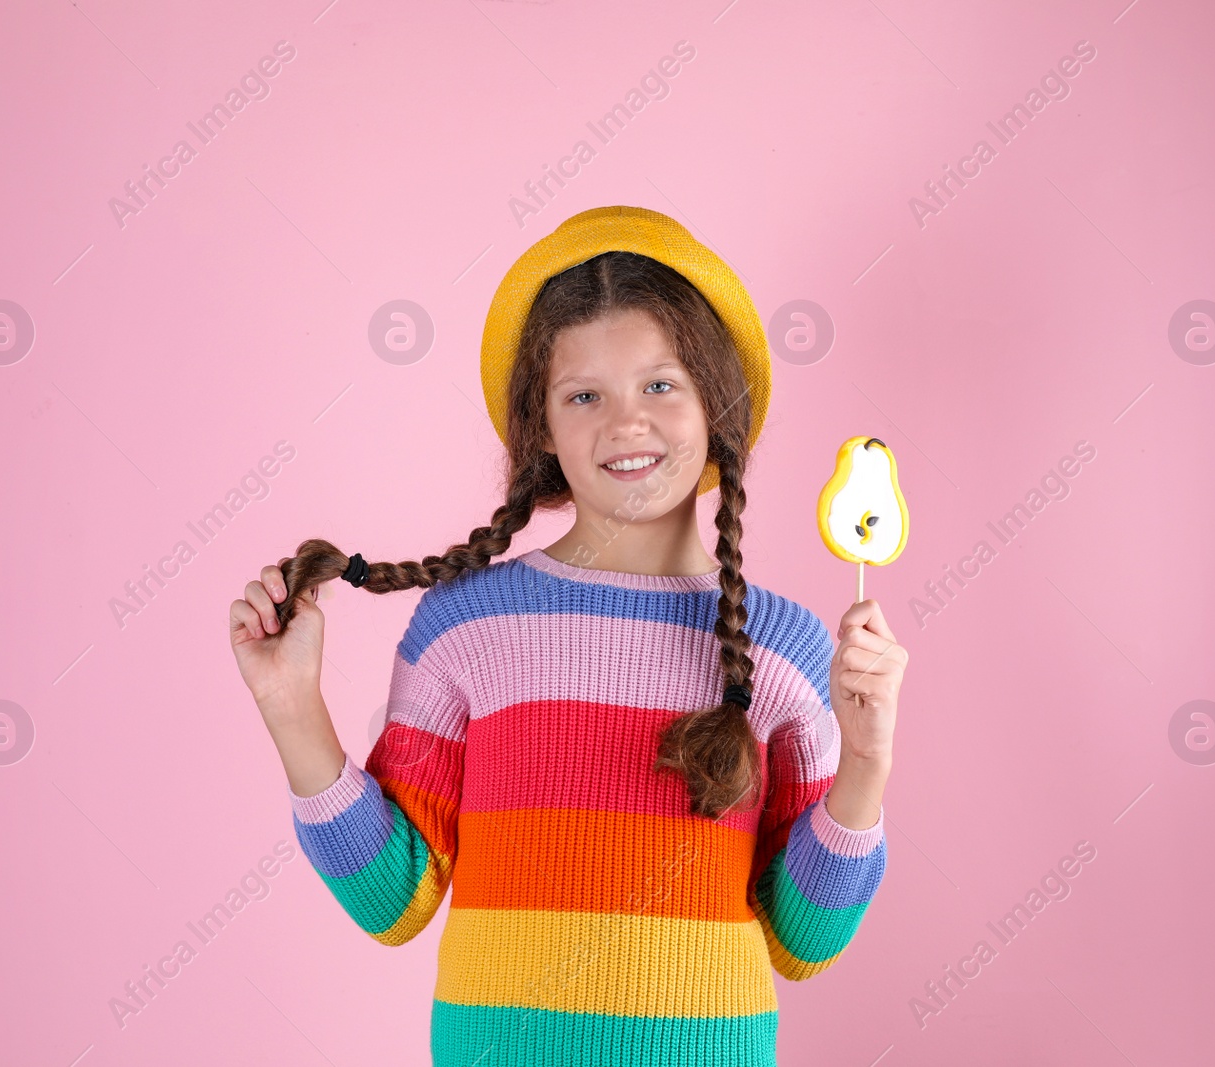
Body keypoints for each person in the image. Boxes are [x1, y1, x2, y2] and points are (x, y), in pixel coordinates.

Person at [228, 205, 907, 1066]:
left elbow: (803, 943)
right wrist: (291, 707)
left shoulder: (785, 648)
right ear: (544, 430)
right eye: (584, 395)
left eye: (661, 384)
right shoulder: (466, 624)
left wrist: (868, 762)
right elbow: (390, 901)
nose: (626, 422)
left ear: (715, 406)